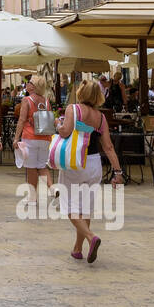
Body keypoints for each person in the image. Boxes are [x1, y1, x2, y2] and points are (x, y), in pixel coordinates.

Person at [53, 79, 124, 263]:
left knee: (68, 206)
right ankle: (77, 249)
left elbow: (65, 132)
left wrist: (58, 125)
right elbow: (108, 147)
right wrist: (118, 173)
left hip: (75, 163)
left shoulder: (73, 109)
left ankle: (91, 237)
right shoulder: (100, 117)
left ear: (81, 93)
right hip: (94, 164)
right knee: (85, 208)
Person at [14, 74, 55, 201]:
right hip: (45, 138)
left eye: (29, 82)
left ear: (34, 86)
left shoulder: (27, 100)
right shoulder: (46, 101)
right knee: (42, 166)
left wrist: (16, 138)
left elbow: (21, 120)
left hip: (30, 137)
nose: (27, 84)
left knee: (31, 167)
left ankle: (32, 197)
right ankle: (53, 188)